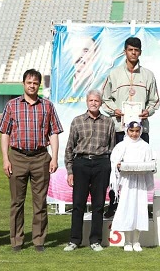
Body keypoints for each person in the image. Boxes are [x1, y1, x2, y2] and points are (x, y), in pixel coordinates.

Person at [0, 69, 63, 252]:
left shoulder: (47, 106)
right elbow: (5, 133)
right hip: (17, 157)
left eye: (35, 83)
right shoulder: (12, 105)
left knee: (40, 202)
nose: (32, 86)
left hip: (41, 157)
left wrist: (54, 157)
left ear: (39, 85)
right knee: (16, 202)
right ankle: (17, 241)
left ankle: (39, 240)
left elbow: (54, 133)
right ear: (23, 83)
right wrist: (5, 159)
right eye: (29, 82)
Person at [102, 36, 160, 217]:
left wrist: (147, 112)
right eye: (130, 50)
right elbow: (105, 99)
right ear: (125, 51)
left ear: (140, 52)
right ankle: (114, 204)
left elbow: (155, 100)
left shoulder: (148, 75)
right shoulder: (114, 74)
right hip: (120, 129)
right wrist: (116, 110)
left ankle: (142, 206)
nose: (133, 53)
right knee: (118, 167)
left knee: (142, 168)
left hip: (141, 130)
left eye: (136, 50)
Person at [63, 89, 116, 252]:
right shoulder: (77, 121)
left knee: (98, 204)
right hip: (81, 164)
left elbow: (112, 147)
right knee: (78, 204)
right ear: (87, 102)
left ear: (101, 103)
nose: (94, 103)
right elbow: (70, 148)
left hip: (101, 164)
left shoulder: (108, 122)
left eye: (97, 101)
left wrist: (110, 168)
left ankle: (95, 240)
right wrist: (70, 171)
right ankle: (74, 240)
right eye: (91, 100)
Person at [110, 119, 156, 252]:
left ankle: (136, 241)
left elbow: (151, 163)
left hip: (140, 182)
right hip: (127, 182)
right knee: (127, 208)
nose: (134, 134)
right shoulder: (121, 146)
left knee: (139, 209)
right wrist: (118, 166)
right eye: (131, 131)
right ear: (127, 131)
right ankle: (127, 241)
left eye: (137, 131)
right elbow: (114, 161)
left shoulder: (145, 146)